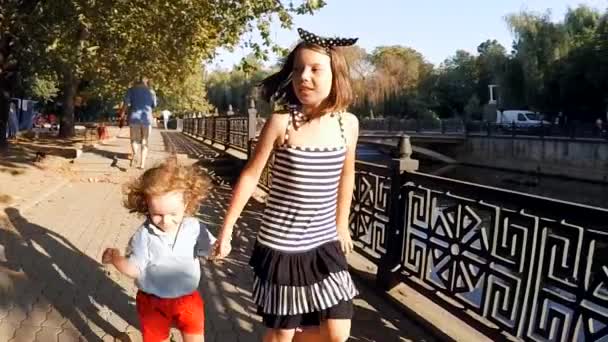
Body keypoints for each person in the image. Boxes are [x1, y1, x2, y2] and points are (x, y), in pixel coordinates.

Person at [212, 28, 360, 342]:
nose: (304, 77)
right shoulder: (282, 123)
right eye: (297, 69)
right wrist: (226, 231)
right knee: (282, 333)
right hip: (282, 246)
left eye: (315, 69)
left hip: (324, 243)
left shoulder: (348, 124)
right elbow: (250, 175)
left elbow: (347, 175)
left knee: (338, 333)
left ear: (336, 76)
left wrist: (342, 224)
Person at [102, 158, 214, 342]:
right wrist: (117, 259)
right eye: (157, 215)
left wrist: (219, 248)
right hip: (153, 302)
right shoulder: (143, 236)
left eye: (173, 214)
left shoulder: (194, 227)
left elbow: (209, 249)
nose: (166, 221)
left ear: (186, 204)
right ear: (147, 206)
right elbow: (134, 269)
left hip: (188, 300)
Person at [122, 76, 157, 169]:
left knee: (134, 140)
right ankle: (142, 164)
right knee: (145, 141)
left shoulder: (131, 90)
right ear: (146, 82)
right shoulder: (152, 91)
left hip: (134, 118)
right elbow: (154, 105)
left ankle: (135, 154)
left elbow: (126, 103)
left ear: (136, 82)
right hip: (147, 119)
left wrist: (122, 114)